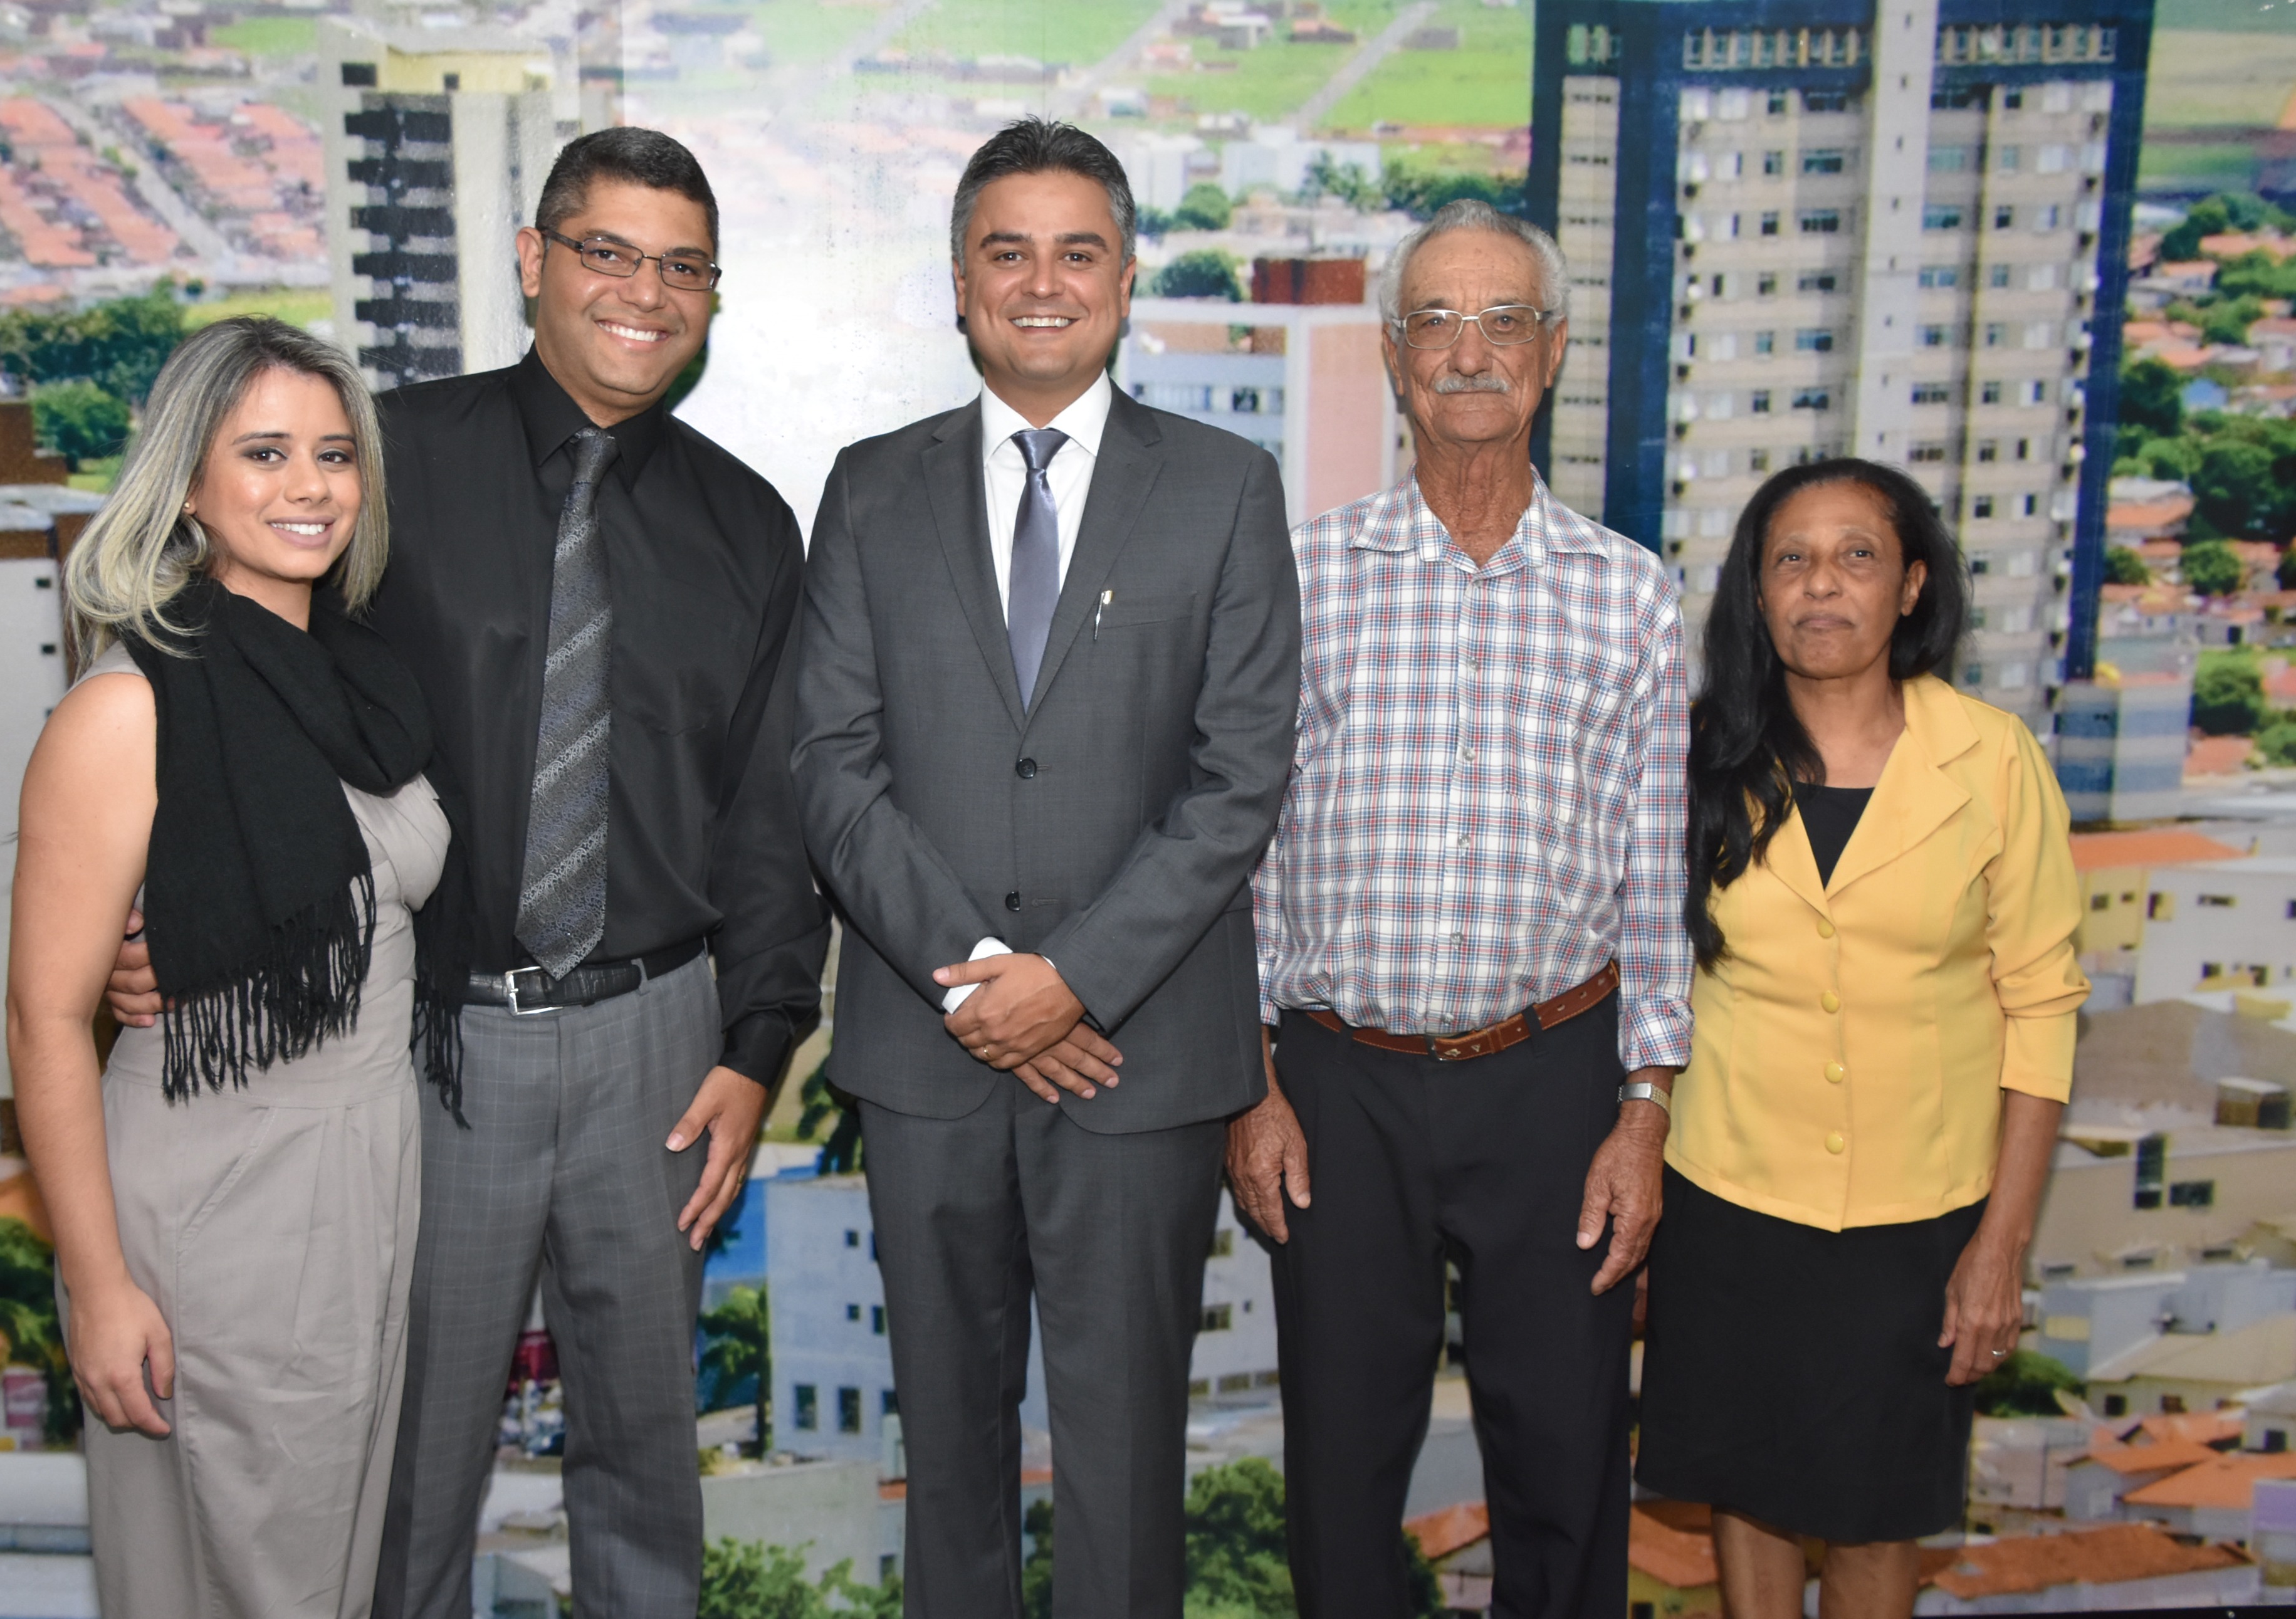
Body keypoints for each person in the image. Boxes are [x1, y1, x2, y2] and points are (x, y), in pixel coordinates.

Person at [104, 128, 829, 1619]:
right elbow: (238, 668)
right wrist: (185, 903)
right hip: (429, 1039)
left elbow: (770, 813)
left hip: (663, 1045)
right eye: (608, 252)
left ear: (712, 294)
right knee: (409, 1463)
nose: (645, 291)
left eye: (682, 266)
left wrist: (758, 1046)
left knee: (649, 1463)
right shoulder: (385, 464)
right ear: (532, 261)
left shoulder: (751, 523)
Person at [792, 117, 1299, 1618]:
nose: (1041, 282)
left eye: (1077, 252)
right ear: (960, 282)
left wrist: (1072, 978)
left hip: (1136, 1055)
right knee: (946, 1458)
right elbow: (829, 762)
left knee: (1124, 1467)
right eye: (1006, 252)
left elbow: (1238, 776)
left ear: (1125, 279)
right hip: (926, 1049)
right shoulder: (867, 486)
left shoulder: (1224, 485)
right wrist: (979, 985)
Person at [1228, 200, 1691, 1619]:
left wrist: (1644, 1110)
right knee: (1340, 1468)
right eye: (1435, 320)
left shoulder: (1630, 595)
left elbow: (1655, 874)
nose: (1469, 350)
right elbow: (1238, 852)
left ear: (1552, 350)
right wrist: (1251, 1082)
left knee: (1564, 1463)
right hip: (1335, 1084)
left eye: (1504, 320)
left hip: (1555, 1081)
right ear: (1392, 355)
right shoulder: (1298, 576)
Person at [9, 317, 448, 1618]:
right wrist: (99, 1287)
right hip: (219, 1191)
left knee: (321, 1578)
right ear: (188, 482)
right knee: (238, 1581)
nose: (310, 485)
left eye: (334, 454)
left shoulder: (363, 682)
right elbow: (42, 1019)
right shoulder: (127, 705)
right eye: (264, 452)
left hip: (366, 1171)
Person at [1635, 459, 2087, 1619]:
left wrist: (2001, 1246)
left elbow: (2042, 1008)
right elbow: (1643, 981)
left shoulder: (1993, 759)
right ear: (1756, 592)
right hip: (1730, 1201)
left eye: (1857, 557)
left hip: (1919, 1218)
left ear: (1911, 586)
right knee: (1749, 1498)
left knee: (1878, 1515)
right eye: (1791, 559)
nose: (1822, 585)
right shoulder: (1693, 758)